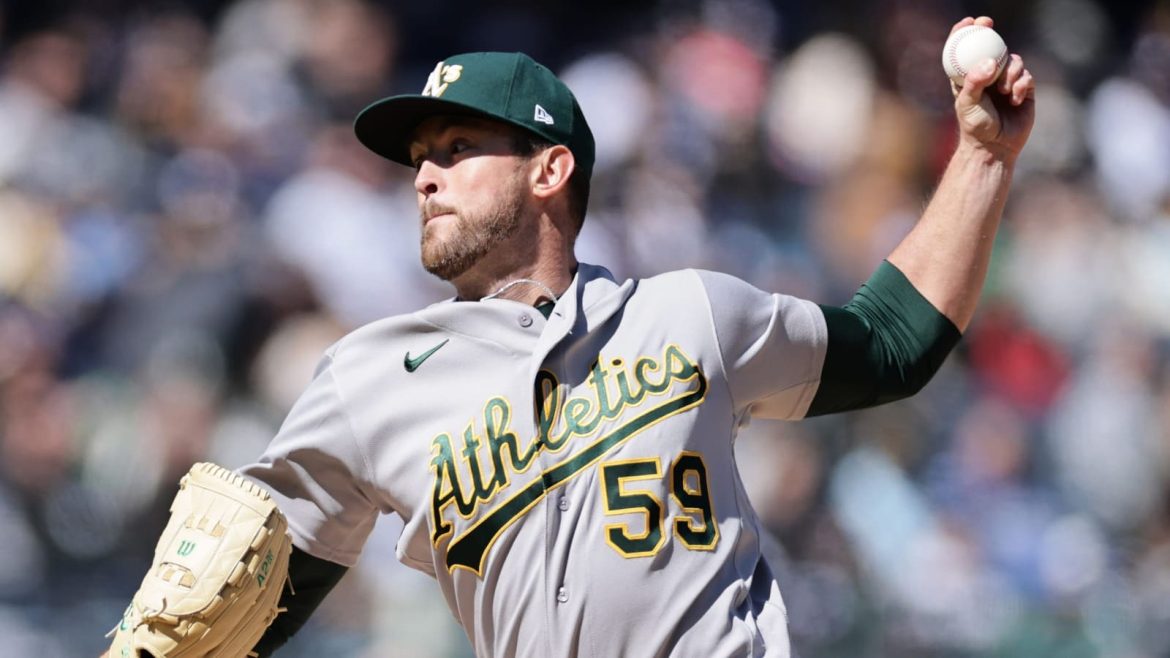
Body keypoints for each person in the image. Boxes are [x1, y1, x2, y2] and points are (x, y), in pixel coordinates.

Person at [137, 15, 1034, 657]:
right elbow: (241, 598)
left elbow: (891, 343)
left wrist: (983, 156)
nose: (425, 177)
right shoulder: (370, 377)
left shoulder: (691, 314)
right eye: (420, 160)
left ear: (549, 169)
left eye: (456, 148)